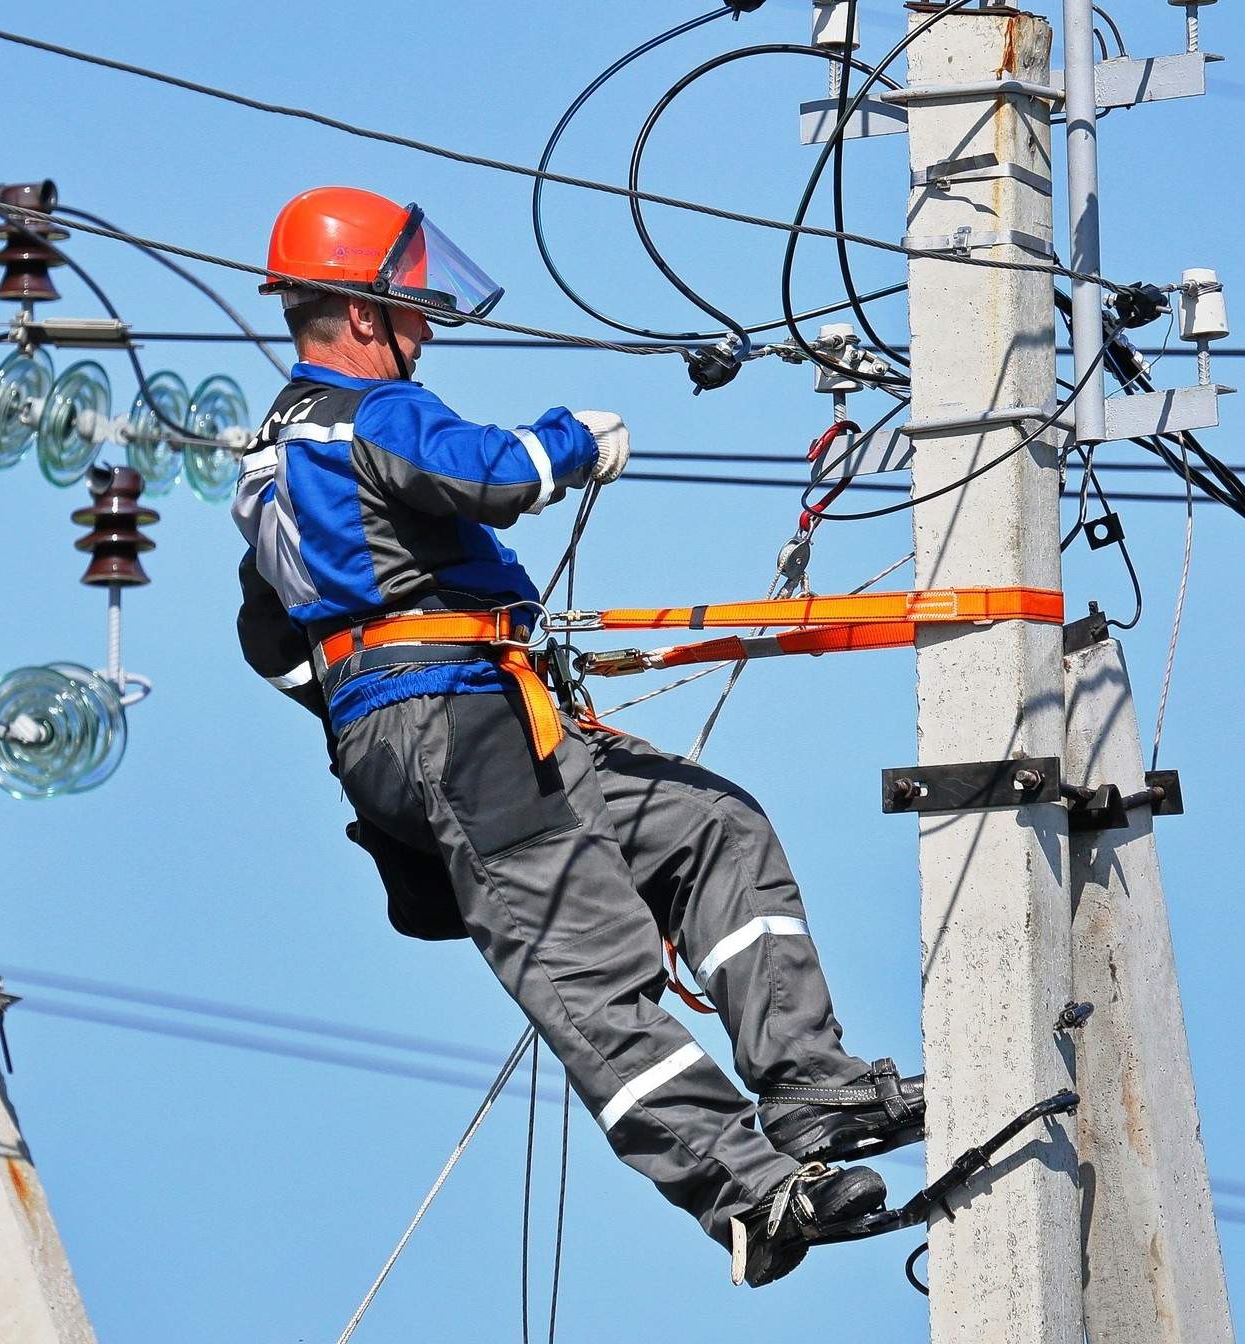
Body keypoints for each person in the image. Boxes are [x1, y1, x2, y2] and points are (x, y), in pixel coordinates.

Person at [229, 186, 924, 1286]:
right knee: (591, 968)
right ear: (362, 313)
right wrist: (571, 442)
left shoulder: (274, 460)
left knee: (709, 828)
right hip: (462, 729)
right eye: (410, 310)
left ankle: (809, 1083)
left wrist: (379, 716)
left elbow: (266, 641)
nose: (421, 332)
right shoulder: (368, 415)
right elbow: (487, 473)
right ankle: (748, 1195)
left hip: (463, 724)